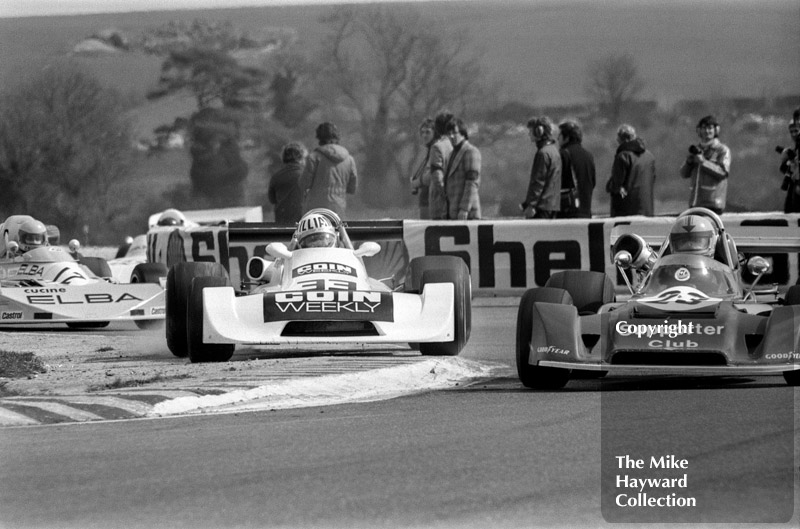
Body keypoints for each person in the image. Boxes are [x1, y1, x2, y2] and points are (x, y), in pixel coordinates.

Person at [301, 122, 358, 217]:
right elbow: (352, 188)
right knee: (336, 231)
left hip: (315, 210)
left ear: (319, 137)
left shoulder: (313, 157)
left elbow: (303, 184)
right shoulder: (349, 159)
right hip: (338, 209)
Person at [679, 115, 731, 215]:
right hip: (695, 202)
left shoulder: (722, 150)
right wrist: (689, 162)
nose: (707, 131)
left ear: (716, 130)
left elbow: (723, 172)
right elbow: (683, 174)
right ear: (699, 130)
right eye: (704, 128)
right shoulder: (697, 149)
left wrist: (703, 162)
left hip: (713, 203)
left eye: (710, 128)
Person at [605, 124, 656, 217]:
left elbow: (617, 184)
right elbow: (652, 179)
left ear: (621, 139)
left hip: (626, 211)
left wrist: (609, 185)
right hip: (647, 210)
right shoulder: (650, 157)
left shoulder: (623, 156)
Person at [521, 116, 561, 219]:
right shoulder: (554, 151)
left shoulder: (542, 154)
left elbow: (538, 182)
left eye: (531, 131)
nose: (529, 134)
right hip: (553, 206)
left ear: (538, 132)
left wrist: (531, 205)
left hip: (541, 208)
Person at [443, 118, 481, 220]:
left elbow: (472, 182)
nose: (451, 136)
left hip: (466, 215)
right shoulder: (451, 154)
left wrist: (465, 208)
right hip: (452, 212)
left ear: (462, 133)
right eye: (449, 133)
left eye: (455, 133)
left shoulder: (471, 151)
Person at [557, 120, 596, 218]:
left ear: (567, 137)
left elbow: (556, 183)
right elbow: (593, 182)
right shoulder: (588, 156)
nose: (557, 138)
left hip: (568, 211)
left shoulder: (563, 154)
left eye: (560, 135)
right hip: (586, 209)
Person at [268, 142, 306, 224]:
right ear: (301, 158)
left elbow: (272, 199)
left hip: (282, 222)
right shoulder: (307, 176)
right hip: (303, 223)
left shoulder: (276, 177)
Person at [428, 111, 454, 220]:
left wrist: (446, 196)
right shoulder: (455, 145)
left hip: (440, 203)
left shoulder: (437, 147)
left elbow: (437, 177)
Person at [409, 118, 435, 219]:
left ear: (435, 132)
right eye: (422, 132)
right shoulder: (429, 150)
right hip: (425, 200)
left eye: (428, 132)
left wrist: (417, 182)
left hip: (430, 201)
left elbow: (432, 175)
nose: (424, 135)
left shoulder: (435, 149)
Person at [779, 110, 800, 213]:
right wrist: (788, 162)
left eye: (796, 130)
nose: (794, 134)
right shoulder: (795, 147)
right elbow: (785, 169)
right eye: (791, 132)